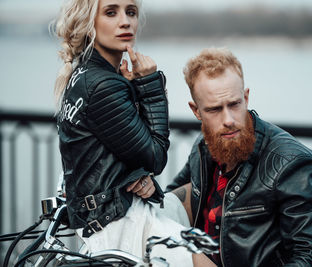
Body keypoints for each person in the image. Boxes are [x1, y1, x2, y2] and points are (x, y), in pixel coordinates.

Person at [53, 0, 214, 266]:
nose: (125, 21)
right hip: (119, 225)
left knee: (195, 196)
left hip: (107, 216)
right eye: (111, 12)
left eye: (131, 12)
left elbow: (109, 150)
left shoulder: (84, 74)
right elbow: (155, 157)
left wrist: (141, 175)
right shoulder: (104, 85)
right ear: (88, 21)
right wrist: (149, 85)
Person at [167, 47, 312, 266]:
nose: (228, 119)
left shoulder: (291, 162)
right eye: (214, 109)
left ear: (246, 97)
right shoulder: (204, 148)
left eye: (234, 104)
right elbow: (168, 206)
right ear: (196, 111)